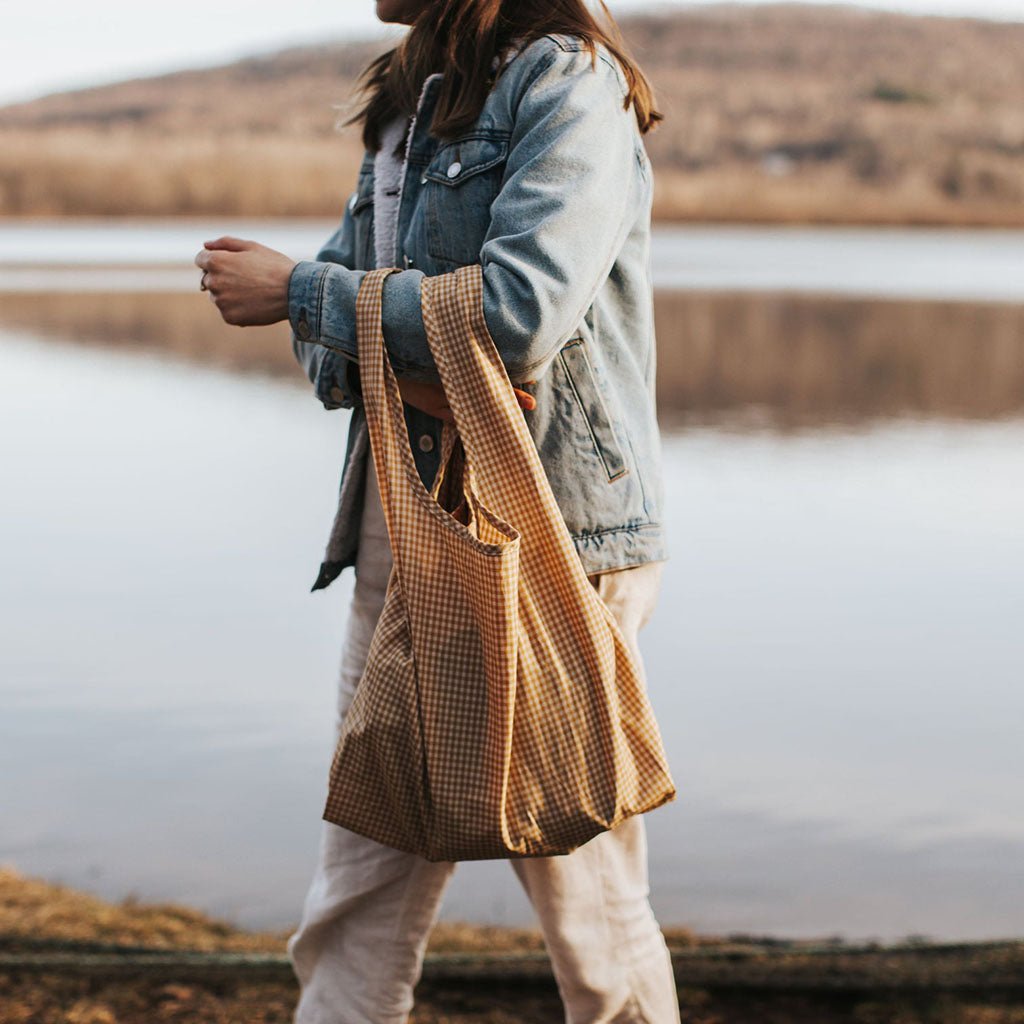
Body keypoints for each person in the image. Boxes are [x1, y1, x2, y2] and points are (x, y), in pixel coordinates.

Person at [194, 1, 676, 1021]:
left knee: (581, 877)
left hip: (551, 528)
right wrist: (406, 360)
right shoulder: (407, 101)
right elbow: (336, 340)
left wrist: (315, 297)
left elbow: (514, 316)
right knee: (362, 873)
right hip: (400, 516)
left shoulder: (565, 81)